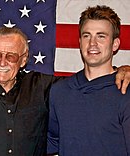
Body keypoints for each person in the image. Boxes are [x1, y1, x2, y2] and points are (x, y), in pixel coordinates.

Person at [0, 26, 129, 156]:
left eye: (11, 56)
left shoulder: (42, 86)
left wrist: (123, 70)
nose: (2, 62)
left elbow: (88, 80)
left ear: (23, 60)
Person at [47, 5, 130, 156]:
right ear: (80, 41)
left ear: (115, 44)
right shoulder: (60, 90)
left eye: (101, 36)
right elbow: (51, 141)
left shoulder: (125, 90)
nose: (92, 43)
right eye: (87, 35)